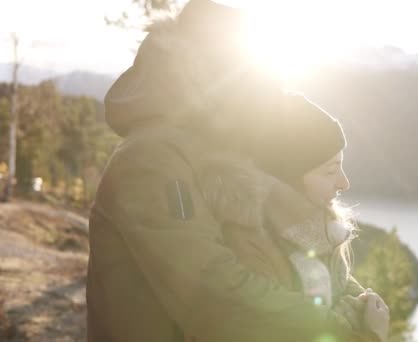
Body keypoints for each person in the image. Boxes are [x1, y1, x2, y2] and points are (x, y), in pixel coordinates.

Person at [86, 1, 375, 341]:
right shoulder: (151, 159)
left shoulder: (225, 145)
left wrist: (358, 300)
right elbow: (212, 294)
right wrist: (334, 324)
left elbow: (293, 241)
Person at [197, 92, 390, 341]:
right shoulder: (250, 249)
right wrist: (373, 334)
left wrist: (363, 305)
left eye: (341, 166)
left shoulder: (320, 229)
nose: (344, 182)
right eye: (330, 171)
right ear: (288, 180)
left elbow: (338, 285)